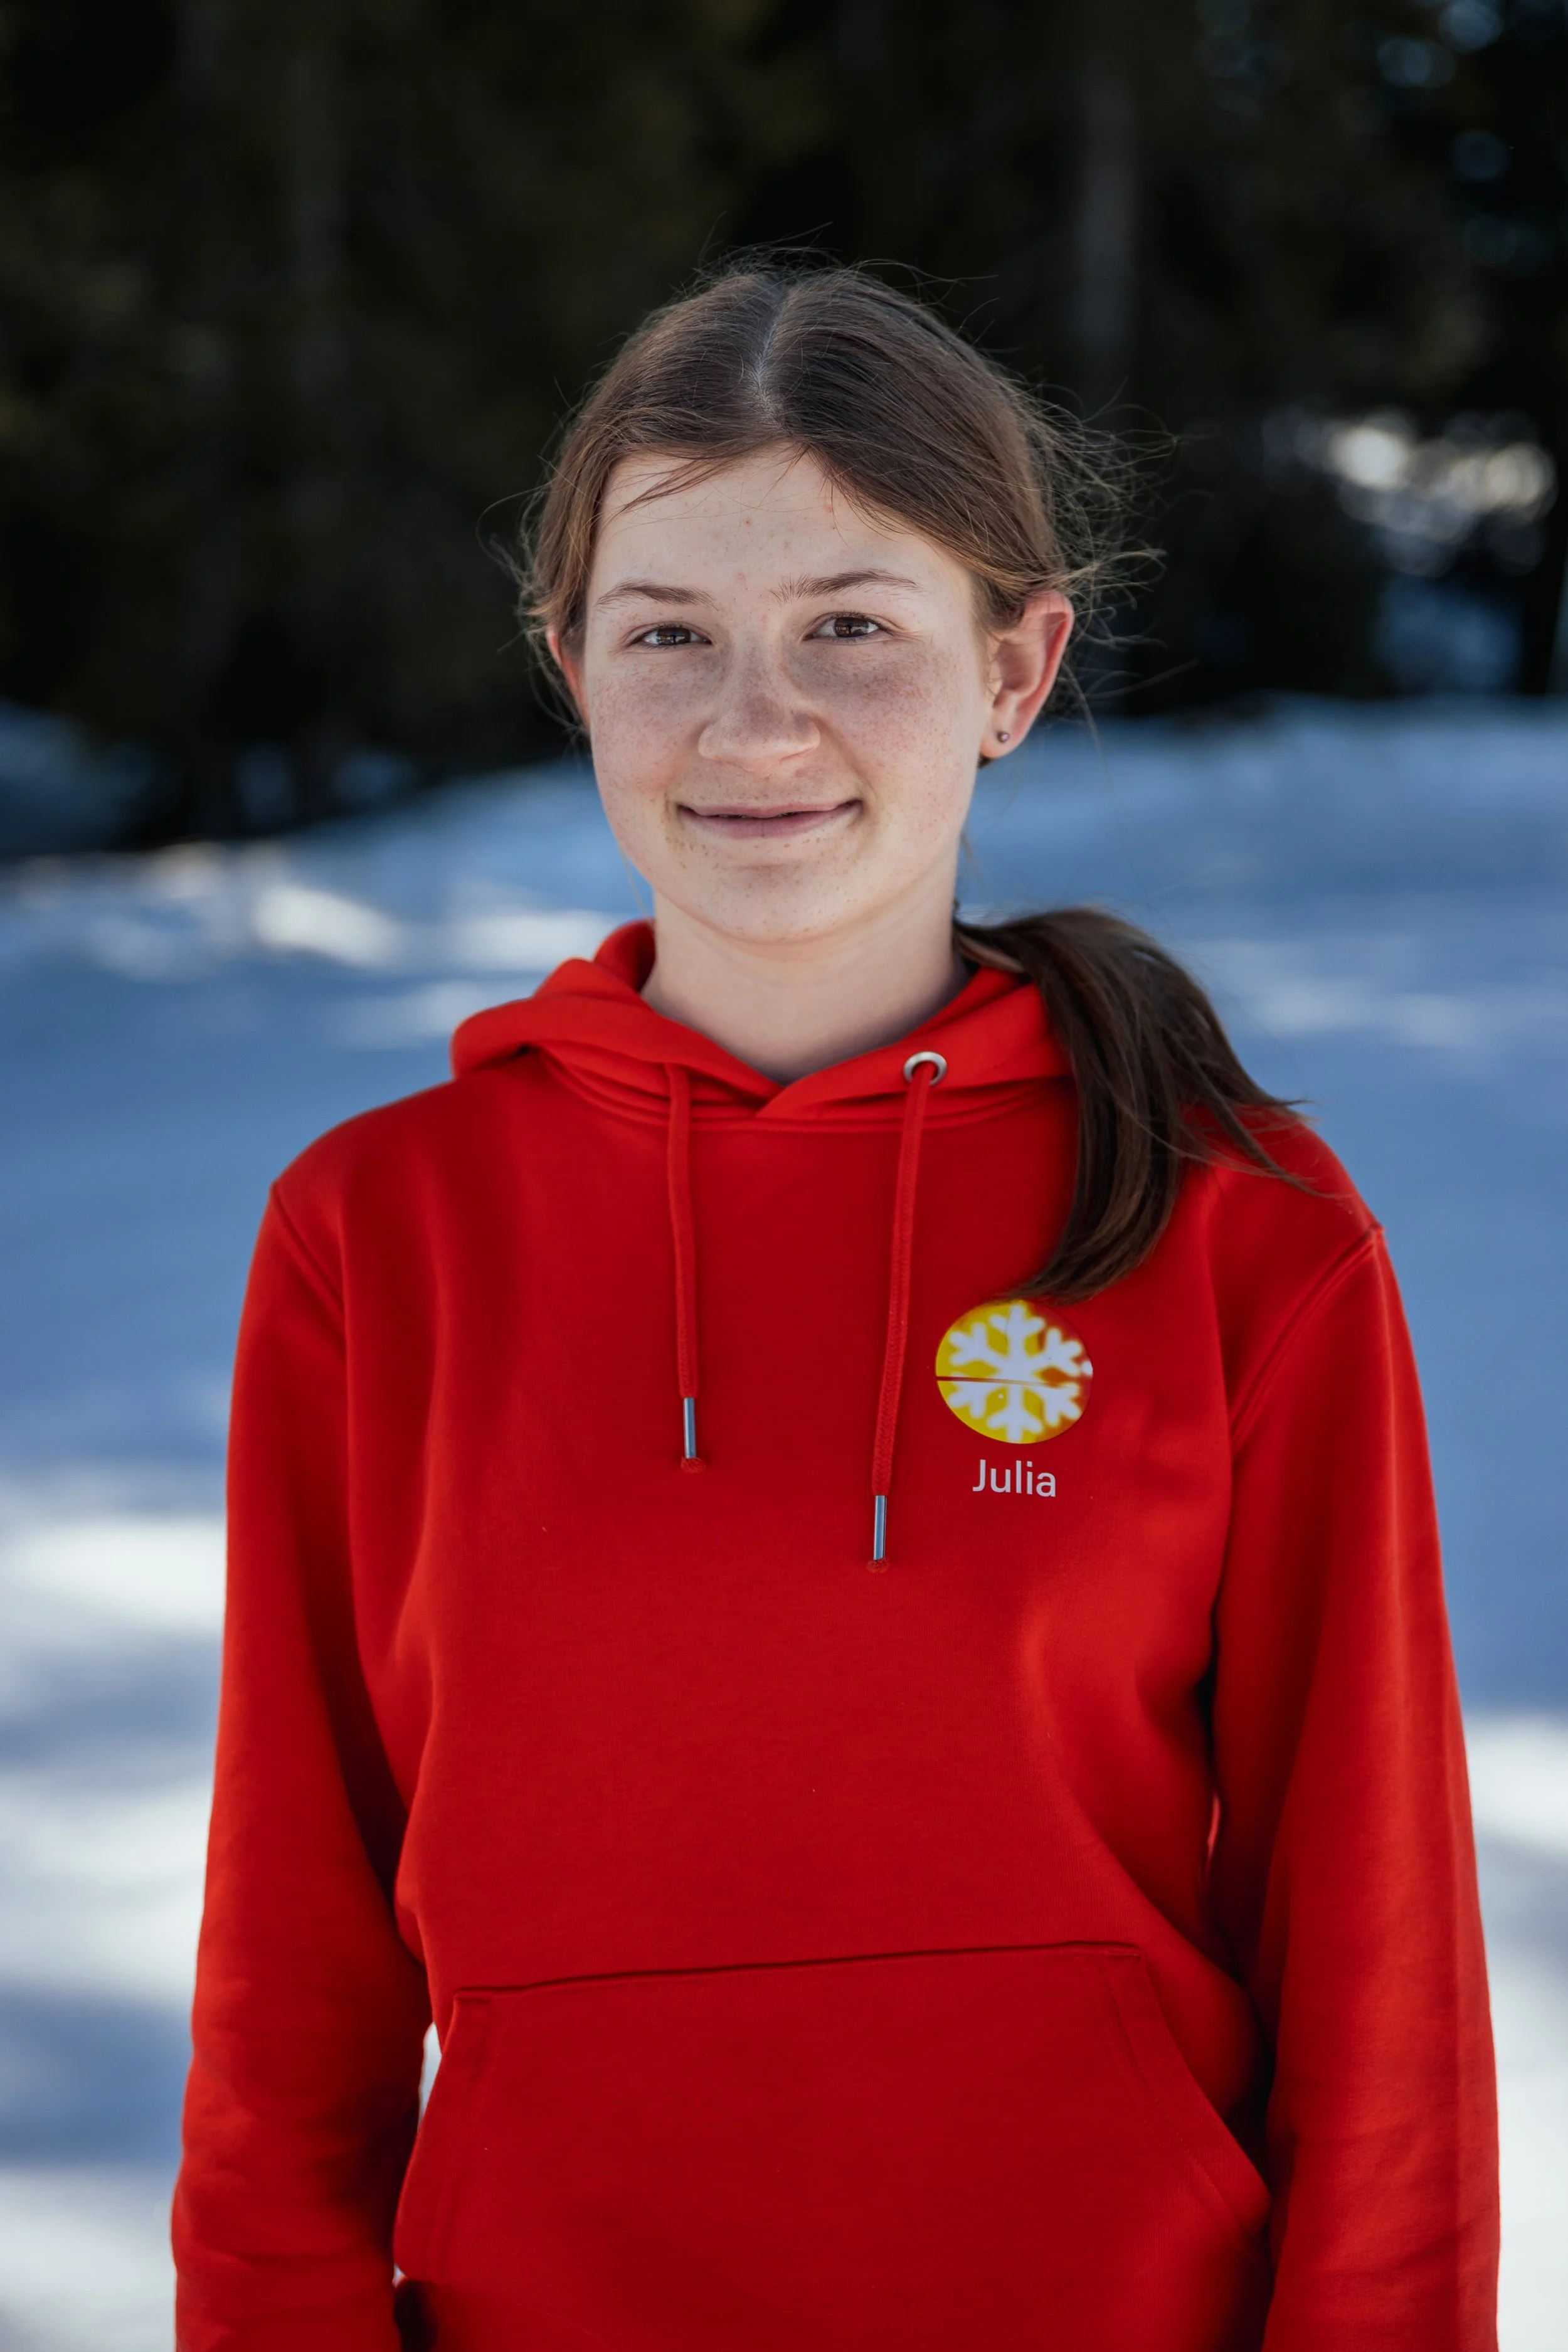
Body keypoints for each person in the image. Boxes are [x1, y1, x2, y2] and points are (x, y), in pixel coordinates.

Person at [172, 265, 1498, 2352]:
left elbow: (1380, 1957)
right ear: (572, 666)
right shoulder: (382, 1237)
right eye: (667, 634)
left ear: (1013, 664)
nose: (751, 723)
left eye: (850, 626)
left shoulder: (1237, 1227)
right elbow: (290, 1962)